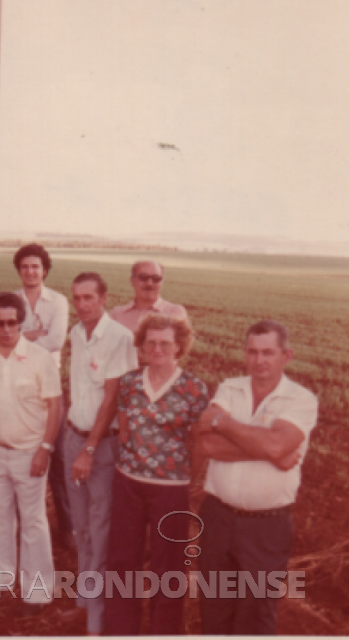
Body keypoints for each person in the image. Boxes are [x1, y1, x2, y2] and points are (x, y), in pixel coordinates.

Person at [192, 320, 318, 635]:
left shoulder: (301, 399)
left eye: (268, 353)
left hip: (266, 527)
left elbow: (278, 444)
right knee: (214, 608)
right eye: (252, 352)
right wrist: (270, 450)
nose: (259, 360)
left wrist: (224, 422)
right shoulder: (229, 387)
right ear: (245, 354)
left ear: (286, 356)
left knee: (257, 613)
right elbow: (206, 443)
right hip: (217, 517)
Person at [105, 315, 209, 635]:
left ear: (179, 346)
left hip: (171, 488)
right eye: (150, 342)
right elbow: (124, 429)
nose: (157, 348)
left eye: (165, 343)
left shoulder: (194, 388)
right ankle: (121, 631)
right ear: (142, 345)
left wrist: (181, 474)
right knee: (123, 561)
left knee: (170, 567)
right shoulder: (129, 382)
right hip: (128, 483)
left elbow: (200, 443)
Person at [0, 292, 62, 604]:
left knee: (33, 520)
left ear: (21, 323)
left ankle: (38, 591)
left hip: (29, 452)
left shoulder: (39, 358)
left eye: (12, 323)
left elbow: (55, 405)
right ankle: (1, 578)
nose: (6, 329)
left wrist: (45, 448)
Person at [63, 272, 137, 635]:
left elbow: (111, 399)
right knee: (81, 527)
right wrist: (74, 443)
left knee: (100, 526)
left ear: (105, 299)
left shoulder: (120, 338)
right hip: (72, 439)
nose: (82, 305)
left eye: (89, 297)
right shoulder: (76, 334)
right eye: (76, 298)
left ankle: (97, 618)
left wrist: (89, 449)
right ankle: (83, 602)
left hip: (100, 447)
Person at [12, 243, 74, 550]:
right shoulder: (12, 301)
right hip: (19, 386)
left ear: (44, 270)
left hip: (50, 388)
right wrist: (31, 335)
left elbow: (56, 340)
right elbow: (5, 339)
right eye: (24, 267)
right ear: (19, 271)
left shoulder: (58, 301)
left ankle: (68, 527)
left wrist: (22, 338)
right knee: (21, 452)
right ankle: (22, 523)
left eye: (35, 266)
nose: (30, 271)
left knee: (58, 456)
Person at [109, 260, 187, 333]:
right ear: (132, 281)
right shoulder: (116, 315)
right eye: (143, 277)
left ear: (162, 282)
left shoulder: (174, 313)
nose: (149, 283)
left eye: (156, 278)